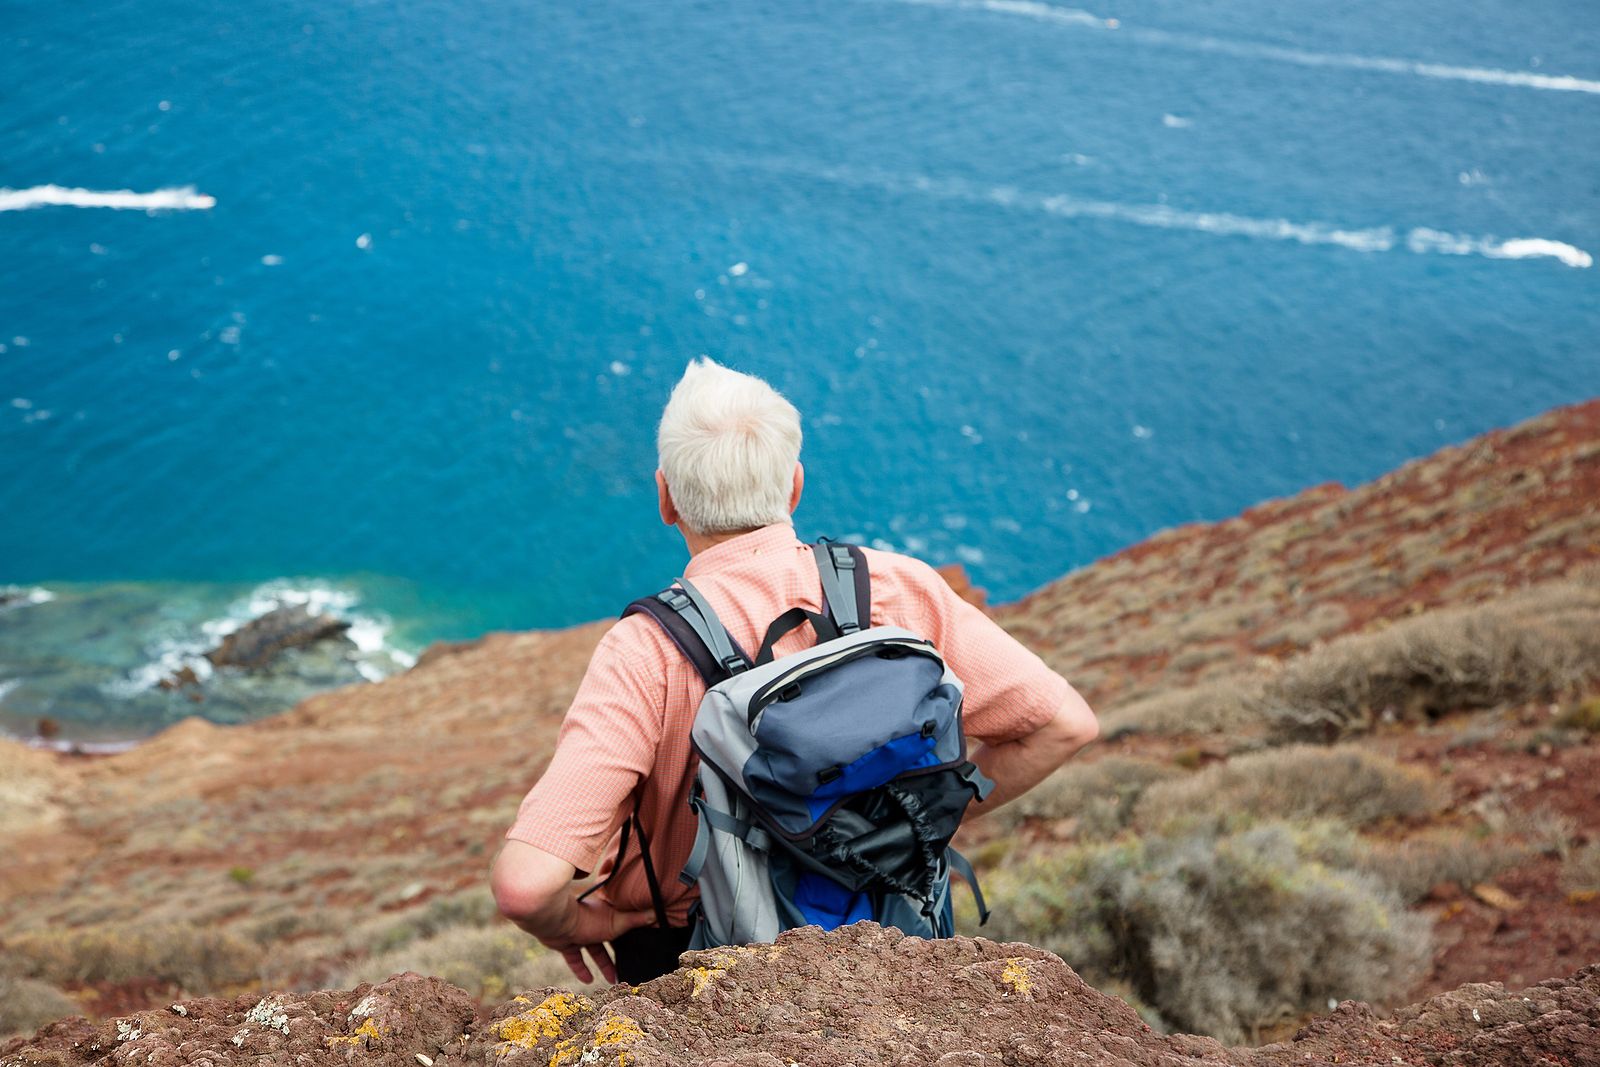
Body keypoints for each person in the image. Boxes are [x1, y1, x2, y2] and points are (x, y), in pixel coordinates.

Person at [491, 359, 1099, 985]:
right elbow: (1063, 724)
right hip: (895, 933)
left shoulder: (645, 651)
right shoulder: (896, 587)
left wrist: (582, 926)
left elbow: (525, 887)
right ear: (794, 486)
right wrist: (904, 828)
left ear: (665, 497)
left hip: (699, 967)